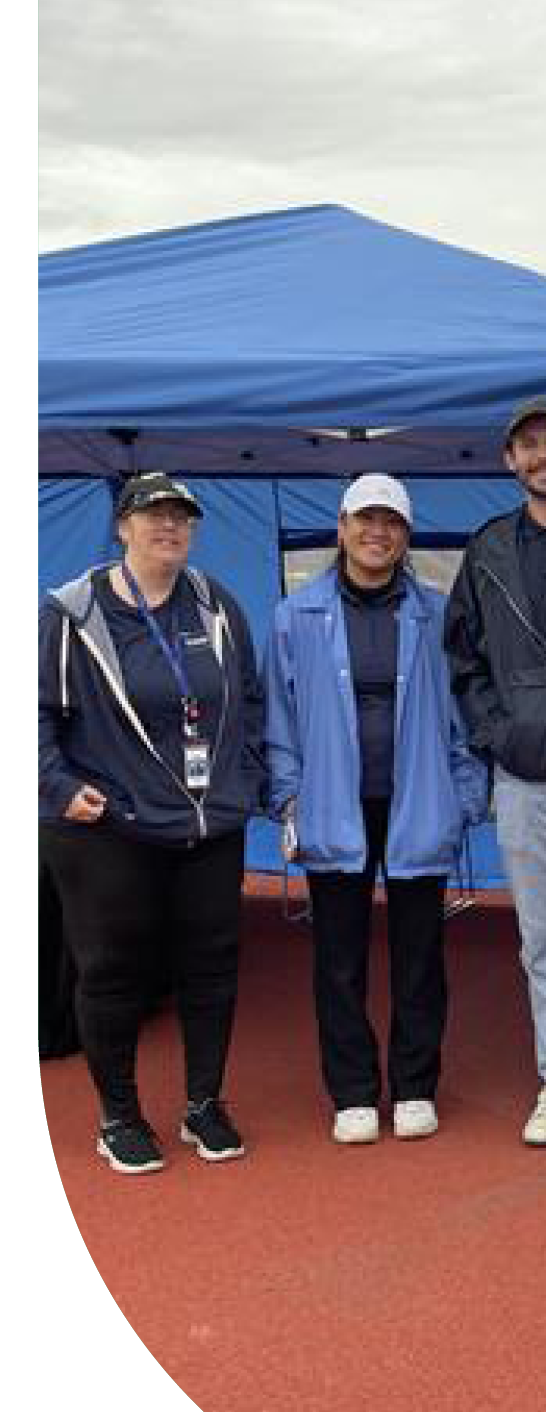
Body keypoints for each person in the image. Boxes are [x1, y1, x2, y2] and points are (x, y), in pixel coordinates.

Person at [39, 471, 265, 1174]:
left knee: (211, 969)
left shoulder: (215, 604)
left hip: (207, 823)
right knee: (111, 972)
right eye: (153, 514)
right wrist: (57, 784)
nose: (168, 527)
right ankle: (119, 1116)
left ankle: (203, 1103)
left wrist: (245, 778)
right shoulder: (73, 612)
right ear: (123, 525)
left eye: (181, 517)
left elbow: (249, 702)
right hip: (109, 827)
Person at [265, 474, 487, 1144]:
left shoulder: (437, 612)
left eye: (390, 522)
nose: (376, 532)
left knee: (420, 954)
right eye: (365, 519)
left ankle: (415, 1085)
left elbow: (463, 715)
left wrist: (465, 795)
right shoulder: (294, 615)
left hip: (419, 804)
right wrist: (289, 798)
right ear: (340, 527)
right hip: (333, 805)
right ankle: (354, 1090)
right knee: (338, 956)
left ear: (406, 536)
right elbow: (279, 716)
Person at [445, 397, 546, 1147]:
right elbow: (463, 660)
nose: (544, 456)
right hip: (520, 778)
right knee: (542, 936)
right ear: (509, 460)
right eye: (529, 446)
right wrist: (496, 734)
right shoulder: (486, 549)